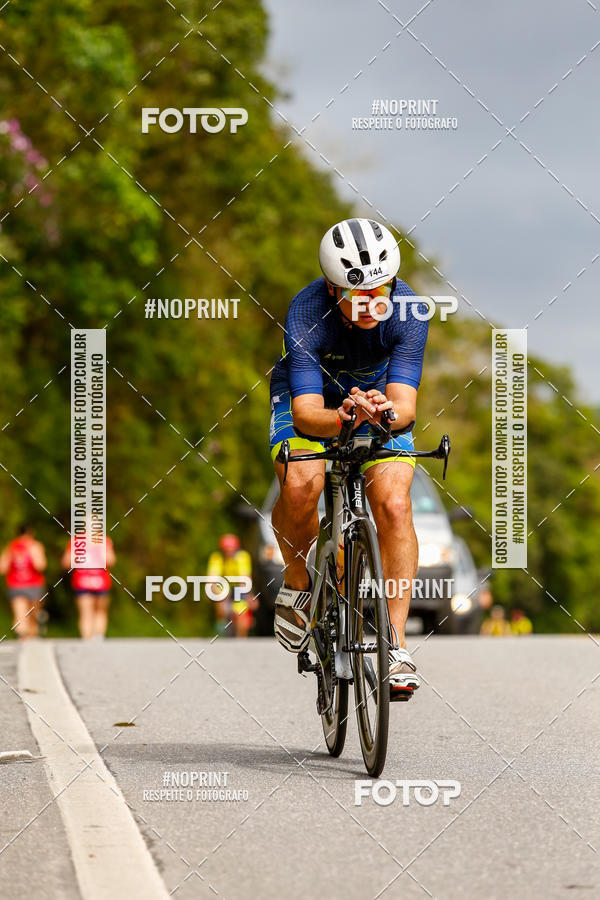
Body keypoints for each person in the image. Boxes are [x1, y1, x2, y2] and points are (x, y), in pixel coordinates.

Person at [269, 217, 429, 694]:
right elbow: (305, 415)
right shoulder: (305, 312)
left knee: (396, 506)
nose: (370, 305)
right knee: (302, 485)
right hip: (313, 400)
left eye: (380, 292)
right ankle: (298, 583)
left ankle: (395, 645)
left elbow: (405, 408)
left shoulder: (408, 312)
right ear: (331, 288)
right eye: (357, 295)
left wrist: (382, 412)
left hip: (376, 399)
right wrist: (343, 417)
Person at [62, 535, 115, 639]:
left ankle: (92, 638)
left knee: (93, 611)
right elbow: (111, 560)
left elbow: (66, 562)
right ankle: (92, 638)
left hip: (93, 581)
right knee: (93, 611)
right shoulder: (102, 540)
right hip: (90, 581)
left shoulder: (103, 540)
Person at [0, 524, 47, 639]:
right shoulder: (35, 546)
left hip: (16, 584)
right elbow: (41, 565)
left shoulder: (11, 547)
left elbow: (2, 568)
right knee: (30, 614)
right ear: (31, 533)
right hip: (33, 584)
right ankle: (28, 635)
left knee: (22, 613)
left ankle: (25, 636)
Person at [206, 534, 256, 637]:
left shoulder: (242, 556)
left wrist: (248, 596)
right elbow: (212, 578)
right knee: (216, 592)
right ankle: (222, 622)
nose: (229, 552)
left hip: (238, 586)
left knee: (241, 611)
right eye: (226, 550)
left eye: (231, 550)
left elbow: (245, 579)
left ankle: (241, 639)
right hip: (224, 586)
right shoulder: (217, 557)